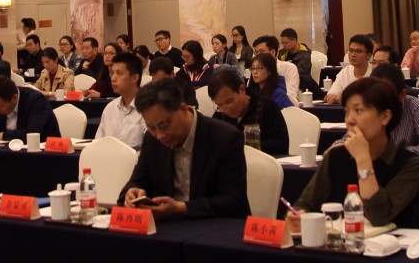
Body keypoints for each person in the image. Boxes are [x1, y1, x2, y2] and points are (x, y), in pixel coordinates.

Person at [289, 77, 419, 230]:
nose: (350, 120)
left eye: (358, 111)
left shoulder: (410, 164)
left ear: (385, 117)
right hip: (338, 240)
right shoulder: (336, 156)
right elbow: (306, 203)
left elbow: (378, 216)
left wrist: (362, 159)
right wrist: (298, 214)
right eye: (347, 112)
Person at [122, 79, 248, 220]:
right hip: (168, 226)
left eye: (164, 124)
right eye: (151, 127)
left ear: (183, 109)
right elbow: (137, 181)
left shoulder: (225, 138)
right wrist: (132, 193)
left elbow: (234, 203)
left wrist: (182, 208)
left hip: (212, 226)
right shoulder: (152, 140)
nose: (160, 135)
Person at [209, 67, 289, 156]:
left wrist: (243, 146)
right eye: (220, 105)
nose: (226, 109)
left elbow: (281, 145)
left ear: (242, 90)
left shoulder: (266, 107)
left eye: (229, 102)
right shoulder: (220, 114)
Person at [369, 64, 419, 158]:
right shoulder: (366, 108)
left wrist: (396, 153)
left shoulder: (416, 108)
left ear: (402, 94)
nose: (381, 100)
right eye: (376, 95)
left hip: (407, 164)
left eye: (387, 95)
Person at [0, 75, 60, 143]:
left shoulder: (36, 100)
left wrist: (3, 135)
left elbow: (32, 132)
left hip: (42, 150)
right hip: (7, 148)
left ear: (14, 97)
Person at [97, 51, 146, 149]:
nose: (113, 78)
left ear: (134, 78)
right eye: (112, 73)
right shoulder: (110, 108)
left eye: (119, 73)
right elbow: (98, 143)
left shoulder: (148, 108)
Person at [326, 33, 376, 103]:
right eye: (351, 50)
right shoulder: (345, 72)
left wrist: (347, 99)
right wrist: (332, 97)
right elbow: (332, 93)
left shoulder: (374, 73)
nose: (353, 55)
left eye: (358, 51)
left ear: (369, 55)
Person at [253, 35, 302, 104]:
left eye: (261, 52)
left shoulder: (289, 68)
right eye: (256, 52)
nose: (257, 56)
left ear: (273, 52)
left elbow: (291, 95)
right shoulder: (255, 70)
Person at [278, 28, 321, 98]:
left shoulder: (305, 54)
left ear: (294, 40)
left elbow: (301, 72)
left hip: (301, 83)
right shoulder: (282, 53)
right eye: (282, 43)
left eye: (286, 43)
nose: (284, 45)